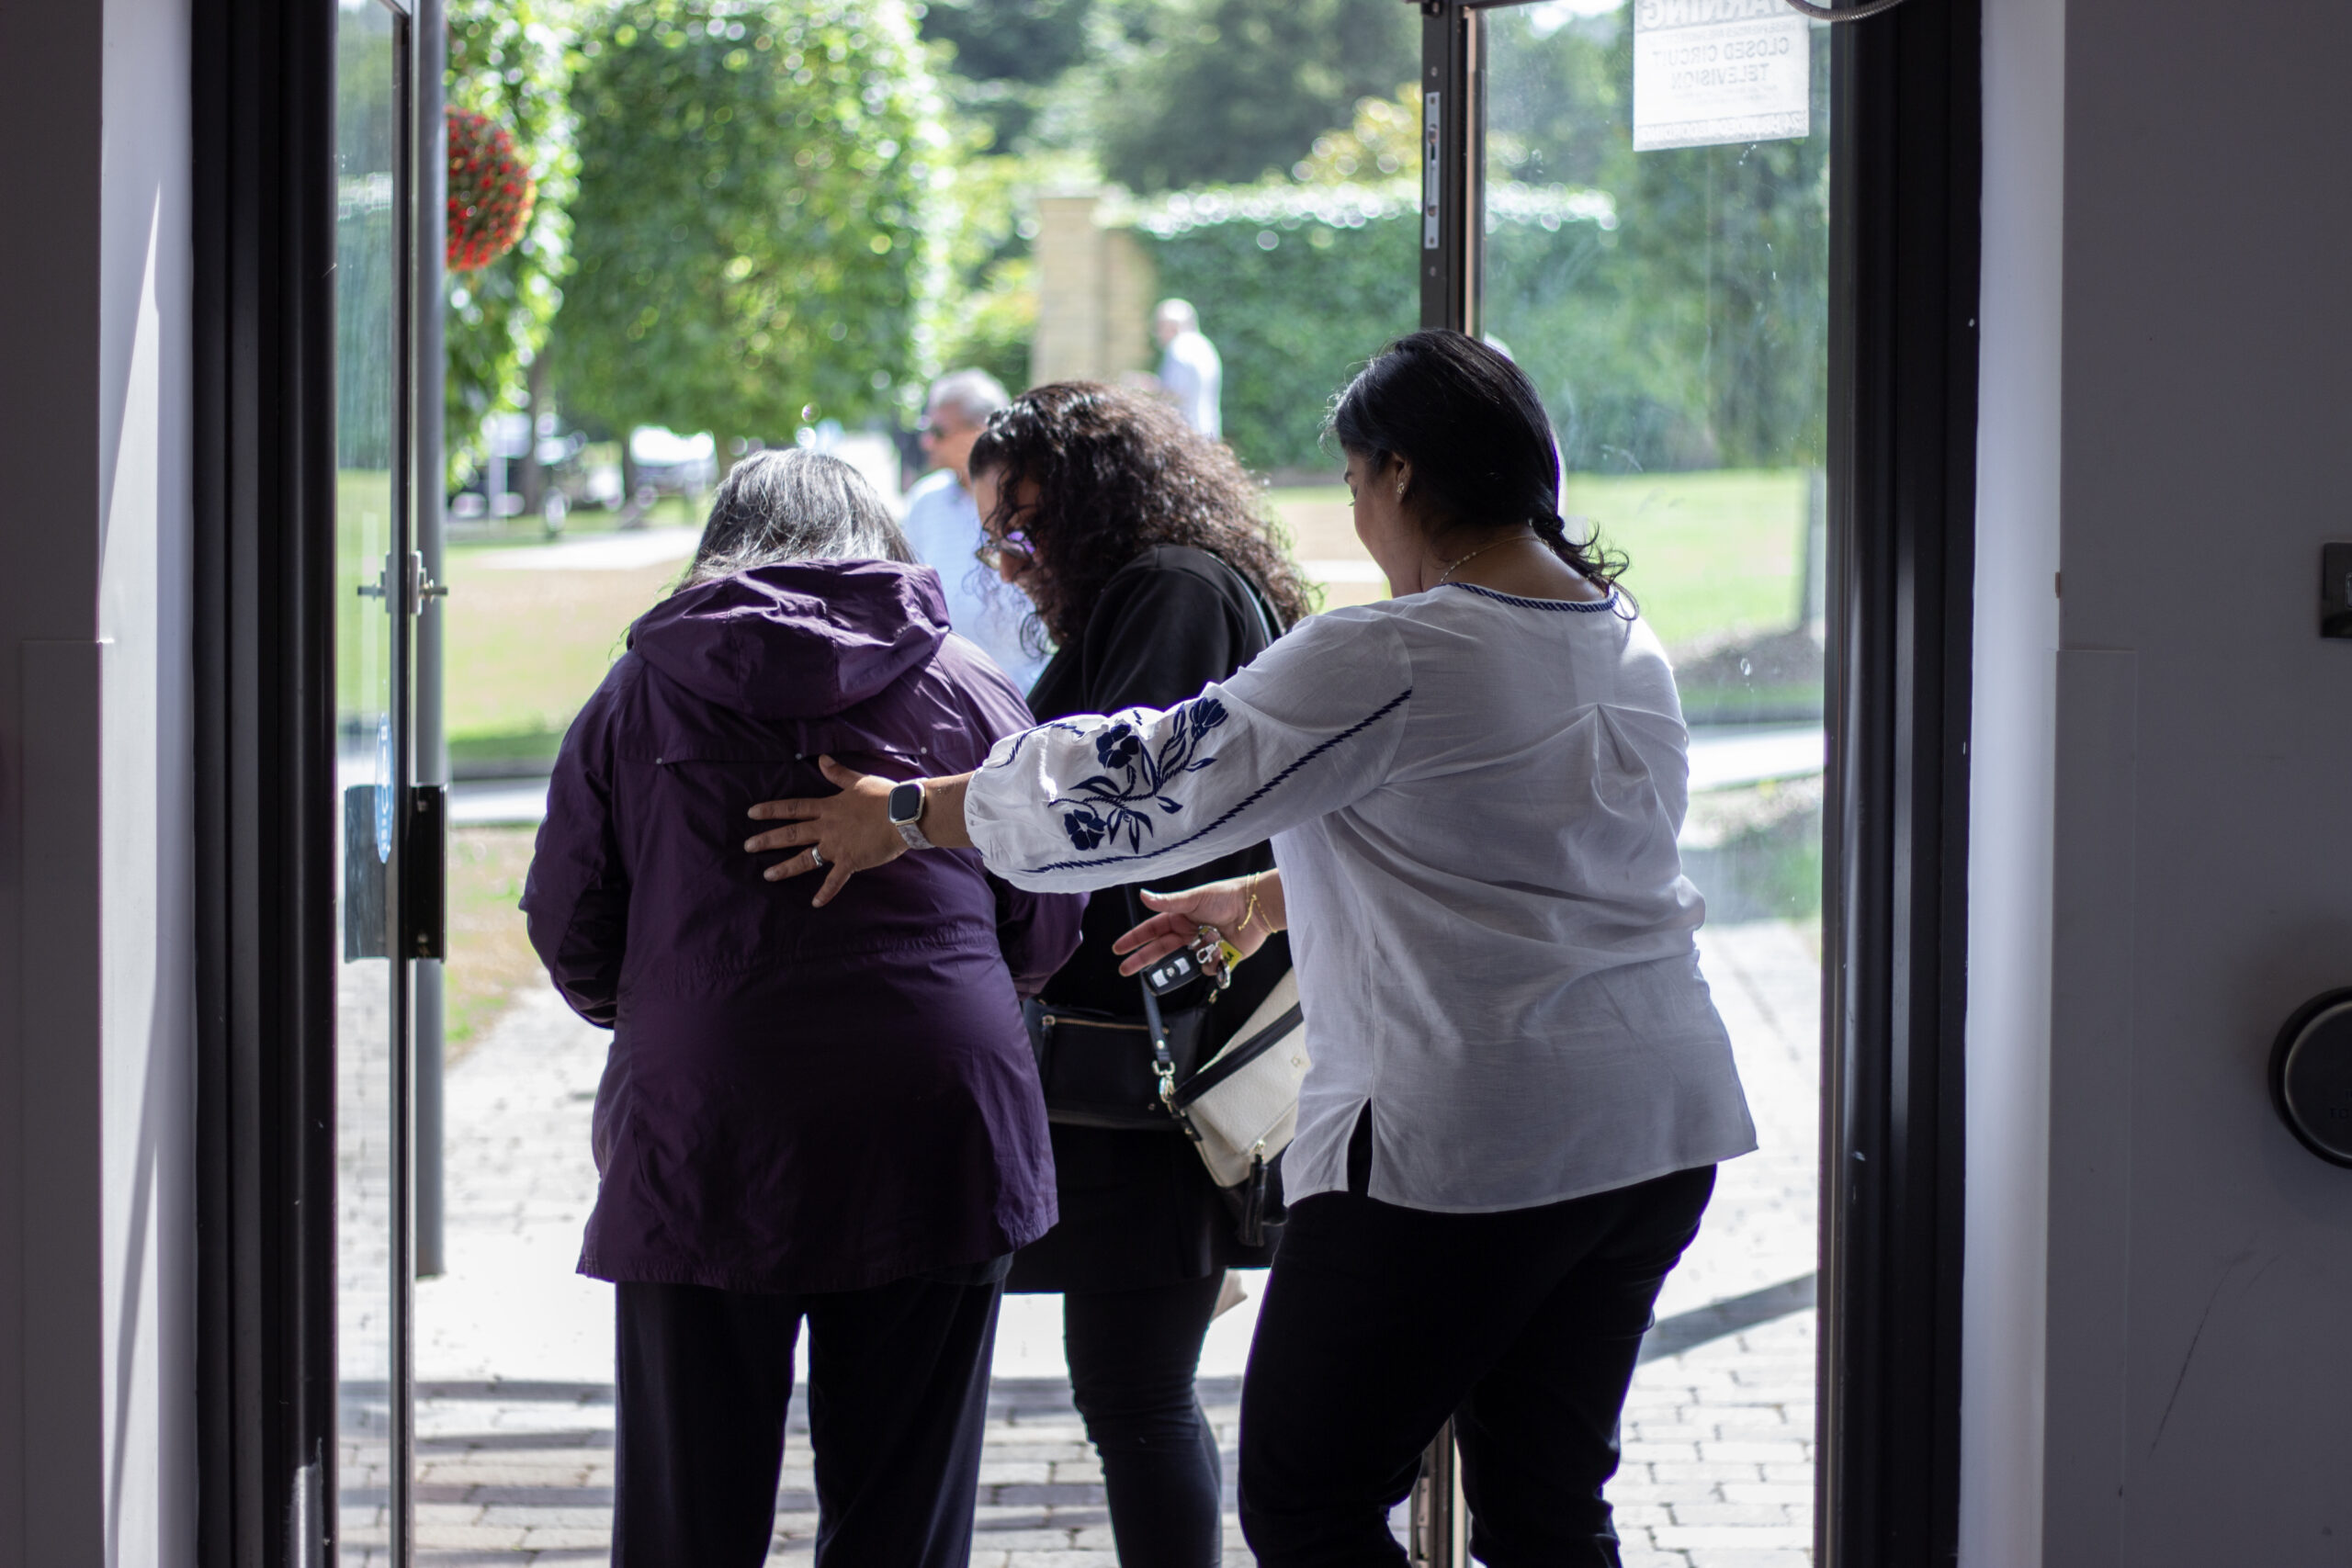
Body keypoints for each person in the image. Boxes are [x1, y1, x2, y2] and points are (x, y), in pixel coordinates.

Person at [742, 332, 1758, 1565]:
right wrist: (1267, 898)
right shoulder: (1618, 636)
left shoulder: (1396, 653)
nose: (1356, 509)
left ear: (1397, 473)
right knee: (1547, 1502)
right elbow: (1537, 849)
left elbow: (1141, 780)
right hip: (1657, 1121)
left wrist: (907, 812)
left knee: (1309, 1495)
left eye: (1349, 479)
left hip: (1471, 1136)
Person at [522, 447, 1085, 1568]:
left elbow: (569, 917)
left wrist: (659, 1009)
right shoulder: (966, 683)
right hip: (935, 1113)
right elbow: (1045, 914)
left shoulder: (639, 691)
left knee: (688, 1506)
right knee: (904, 1510)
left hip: (707, 1118)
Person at [954, 381, 1319, 1565]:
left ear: (1093, 506)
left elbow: (1117, 811)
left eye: (1021, 526)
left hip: (1148, 1069)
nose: (1005, 560)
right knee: (1132, 1390)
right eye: (990, 532)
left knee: (1133, 1393)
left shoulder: (1167, 591)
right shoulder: (1170, 585)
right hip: (1147, 1060)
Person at [899, 369, 1047, 689]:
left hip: (1024, 698)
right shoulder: (926, 500)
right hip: (943, 698)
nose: (926, 441)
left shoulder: (1032, 498)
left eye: (938, 430)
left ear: (980, 431)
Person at [1154, 299, 1223, 440]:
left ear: (1172, 326)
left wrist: (1148, 387)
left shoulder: (1179, 347)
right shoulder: (1204, 345)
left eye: (1160, 326)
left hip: (1187, 436)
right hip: (1208, 430)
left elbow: (1175, 392)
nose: (1157, 333)